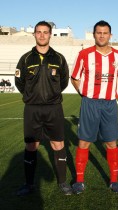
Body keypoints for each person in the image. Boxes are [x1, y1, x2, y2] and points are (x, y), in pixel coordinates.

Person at [15, 21, 72, 196]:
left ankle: (62, 183)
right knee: (32, 146)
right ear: (34, 34)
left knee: (58, 144)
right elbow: (19, 82)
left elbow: (63, 81)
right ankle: (29, 184)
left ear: (50, 34)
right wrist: (32, 96)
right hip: (32, 108)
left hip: (53, 108)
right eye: (38, 32)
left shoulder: (59, 58)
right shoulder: (25, 59)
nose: (41, 35)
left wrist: (51, 95)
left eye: (45, 32)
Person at [71, 20, 118, 194]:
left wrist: (116, 91)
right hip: (90, 103)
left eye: (105, 33)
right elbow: (74, 77)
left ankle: (114, 181)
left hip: (109, 104)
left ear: (110, 35)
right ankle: (79, 181)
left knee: (111, 142)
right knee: (84, 141)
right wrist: (84, 93)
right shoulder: (84, 54)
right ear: (94, 34)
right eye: (98, 32)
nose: (102, 35)